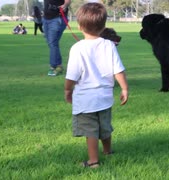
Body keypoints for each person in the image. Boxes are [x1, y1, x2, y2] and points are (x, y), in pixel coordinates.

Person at [64, 2, 129, 168]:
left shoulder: (77, 48)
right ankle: (108, 150)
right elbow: (118, 70)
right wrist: (124, 88)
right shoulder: (109, 45)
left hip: (86, 100)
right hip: (105, 97)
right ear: (103, 26)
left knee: (90, 130)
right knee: (105, 126)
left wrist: (67, 90)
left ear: (79, 26)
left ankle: (93, 161)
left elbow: (72, 75)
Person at [43, 0, 71, 76]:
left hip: (58, 18)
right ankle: (59, 65)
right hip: (46, 19)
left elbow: (68, 1)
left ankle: (53, 67)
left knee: (52, 43)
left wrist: (65, 5)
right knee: (51, 43)